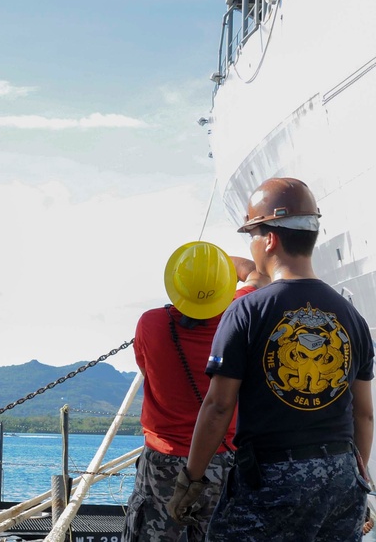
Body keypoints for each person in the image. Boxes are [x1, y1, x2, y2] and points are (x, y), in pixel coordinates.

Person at [168, 177, 375, 541]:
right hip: (341, 478)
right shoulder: (352, 316)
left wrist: (192, 478)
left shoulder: (247, 311)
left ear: (270, 238)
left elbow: (218, 407)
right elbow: (364, 412)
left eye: (251, 233)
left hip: (273, 479)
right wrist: (358, 470)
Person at [123, 241, 265, 542]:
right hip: (223, 461)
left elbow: (147, 371)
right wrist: (215, 267)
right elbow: (256, 273)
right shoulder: (239, 319)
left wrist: (195, 271)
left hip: (164, 464)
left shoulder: (150, 324)